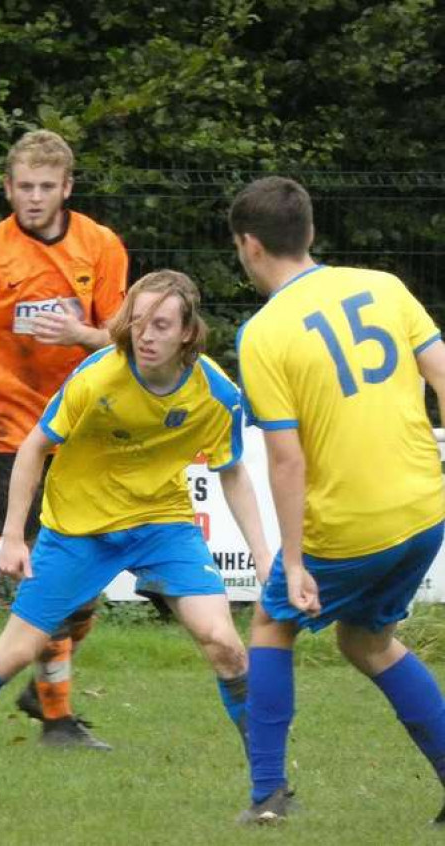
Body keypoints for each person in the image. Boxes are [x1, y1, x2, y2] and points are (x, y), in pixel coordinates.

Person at [0, 270, 271, 762]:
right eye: (139, 320)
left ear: (188, 332)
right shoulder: (100, 374)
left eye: (162, 324)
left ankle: (269, 782)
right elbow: (35, 446)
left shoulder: (218, 395)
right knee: (15, 652)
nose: (146, 335)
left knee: (224, 644)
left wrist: (264, 556)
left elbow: (232, 472)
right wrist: (15, 535)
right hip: (77, 528)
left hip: (161, 525)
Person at [230, 176, 445, 824]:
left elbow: (285, 458)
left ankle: (267, 796)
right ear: (310, 233)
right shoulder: (384, 286)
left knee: (272, 622)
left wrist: (292, 563)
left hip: (350, 527)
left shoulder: (264, 334)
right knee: (366, 640)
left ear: (247, 245)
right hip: (424, 509)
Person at [0, 130, 128, 749]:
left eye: (47, 187)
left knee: (85, 590)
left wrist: (81, 335)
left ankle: (44, 689)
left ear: (67, 188)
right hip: (10, 429)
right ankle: (59, 718)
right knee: (42, 576)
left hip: (85, 429)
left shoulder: (102, 246)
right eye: (24, 187)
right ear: (7, 188)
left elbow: (126, 336)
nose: (34, 198)